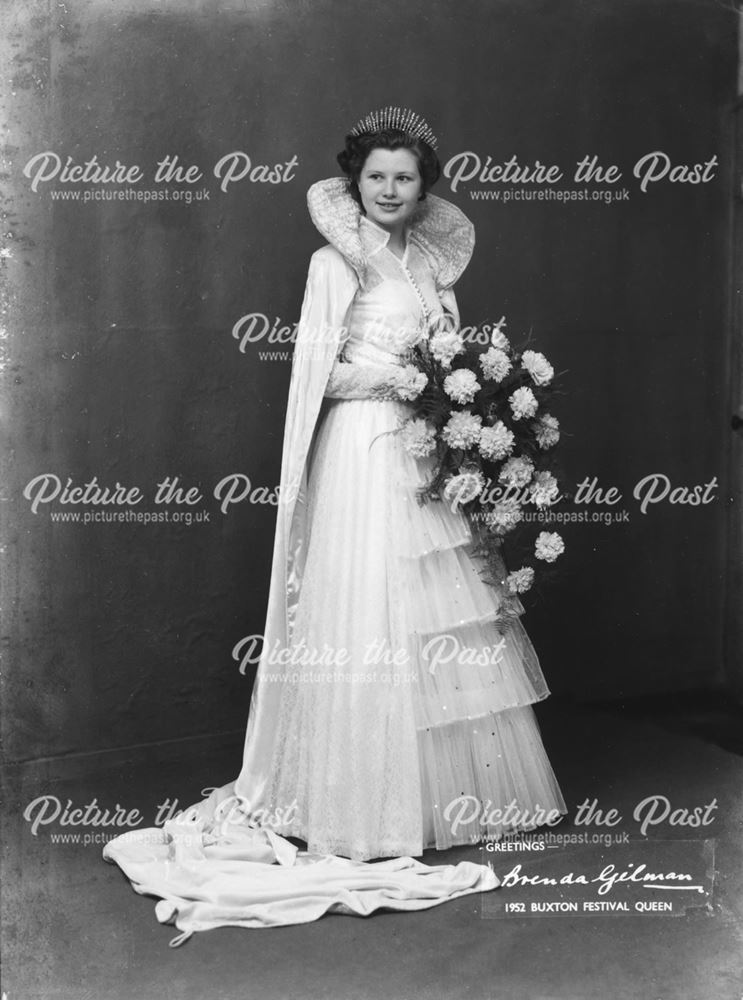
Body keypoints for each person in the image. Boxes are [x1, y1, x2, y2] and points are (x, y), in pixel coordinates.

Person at [103, 107, 567, 940]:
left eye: (406, 178)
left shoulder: (431, 267)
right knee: (363, 603)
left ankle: (439, 801)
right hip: (359, 450)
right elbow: (322, 370)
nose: (390, 190)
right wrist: (399, 376)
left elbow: (451, 350)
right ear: (356, 180)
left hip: (422, 450)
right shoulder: (332, 261)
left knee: (435, 607)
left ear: (424, 189)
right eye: (378, 176)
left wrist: (459, 386)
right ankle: (359, 808)